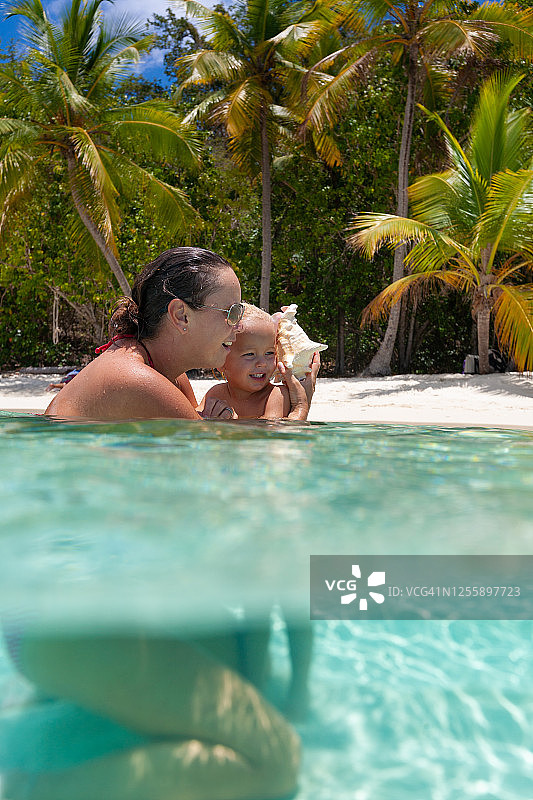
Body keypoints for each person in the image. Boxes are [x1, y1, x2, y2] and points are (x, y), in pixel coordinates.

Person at [45, 248, 312, 421]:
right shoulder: (138, 379)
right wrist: (300, 406)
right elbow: (229, 466)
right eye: (231, 312)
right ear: (182, 316)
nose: (237, 325)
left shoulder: (168, 375)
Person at [197, 304, 319, 420]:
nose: (262, 363)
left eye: (270, 353)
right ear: (221, 361)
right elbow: (193, 420)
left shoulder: (276, 395)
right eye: (250, 354)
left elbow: (269, 435)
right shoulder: (217, 392)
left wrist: (233, 423)